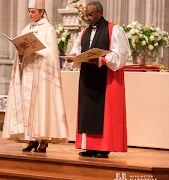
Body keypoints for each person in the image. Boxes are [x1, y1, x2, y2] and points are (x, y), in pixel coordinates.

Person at [2, 0, 69, 153]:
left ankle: (43, 141)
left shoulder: (48, 29)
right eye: (29, 11)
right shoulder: (25, 29)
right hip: (27, 72)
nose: (30, 14)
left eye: (33, 12)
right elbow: (19, 54)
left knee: (42, 107)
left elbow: (52, 54)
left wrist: (37, 50)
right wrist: (20, 53)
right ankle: (31, 139)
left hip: (42, 76)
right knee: (26, 107)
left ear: (41, 12)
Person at [69, 1, 131, 158]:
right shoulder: (84, 32)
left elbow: (121, 55)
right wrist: (74, 57)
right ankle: (89, 146)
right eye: (86, 15)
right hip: (88, 77)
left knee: (104, 113)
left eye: (91, 14)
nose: (88, 18)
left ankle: (104, 148)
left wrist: (102, 60)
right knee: (87, 112)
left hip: (106, 78)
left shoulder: (114, 30)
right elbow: (76, 49)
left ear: (100, 13)